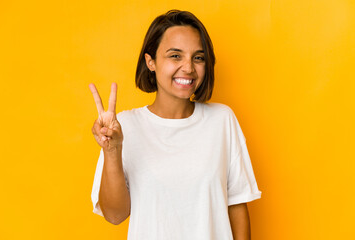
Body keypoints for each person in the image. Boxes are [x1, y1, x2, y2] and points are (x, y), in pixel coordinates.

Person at [89, 9, 261, 240]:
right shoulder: (124, 127)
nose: (189, 68)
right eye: (175, 56)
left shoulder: (222, 120)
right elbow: (114, 215)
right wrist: (112, 150)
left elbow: (237, 204)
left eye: (198, 57)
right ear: (150, 61)